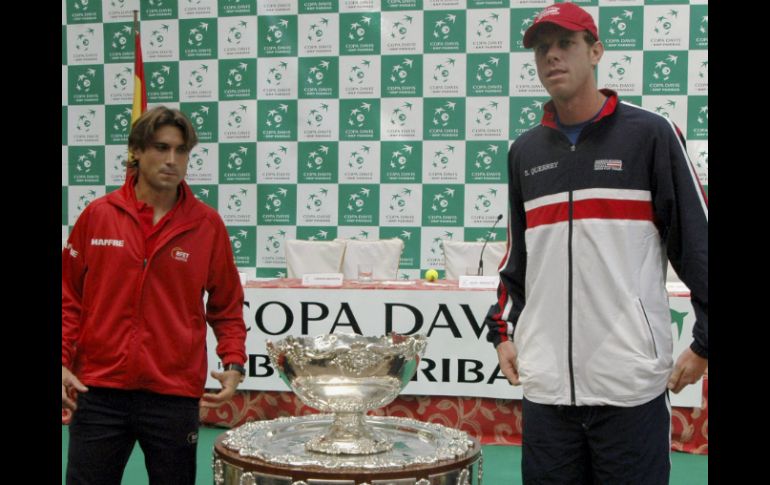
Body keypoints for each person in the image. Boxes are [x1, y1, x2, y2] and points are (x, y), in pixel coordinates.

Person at [483, 3, 708, 484]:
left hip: (628, 388)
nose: (552, 57)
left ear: (596, 50)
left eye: (565, 43)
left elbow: (698, 242)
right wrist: (502, 333)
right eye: (542, 48)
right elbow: (518, 259)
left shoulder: (649, 134)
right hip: (547, 394)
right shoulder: (525, 151)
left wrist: (706, 342)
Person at [62, 106, 248, 485]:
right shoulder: (98, 216)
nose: (171, 160)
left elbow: (226, 306)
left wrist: (234, 363)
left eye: (181, 151)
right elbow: (69, 299)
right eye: (161, 148)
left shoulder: (206, 225)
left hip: (173, 394)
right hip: (98, 390)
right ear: (136, 151)